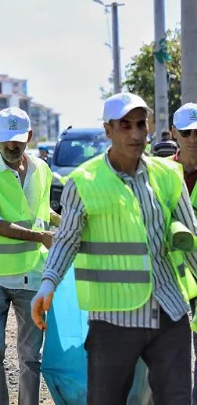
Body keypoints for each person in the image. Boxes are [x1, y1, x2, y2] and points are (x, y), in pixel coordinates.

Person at [31, 93, 197, 404]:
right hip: (113, 319)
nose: (136, 134)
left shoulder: (167, 175)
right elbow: (67, 239)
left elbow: (192, 240)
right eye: (125, 126)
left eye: (141, 125)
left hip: (169, 310)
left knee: (177, 399)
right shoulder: (84, 182)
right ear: (108, 130)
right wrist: (48, 284)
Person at [0, 107, 57, 405]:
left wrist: (66, 223)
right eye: (6, 140)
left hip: (32, 274)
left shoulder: (42, 169)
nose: (12, 146)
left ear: (29, 136)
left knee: (31, 356)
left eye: (18, 139)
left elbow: (42, 214)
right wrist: (41, 237)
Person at [171, 102, 197, 404]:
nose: (193, 137)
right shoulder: (160, 173)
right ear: (173, 133)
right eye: (186, 132)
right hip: (169, 278)